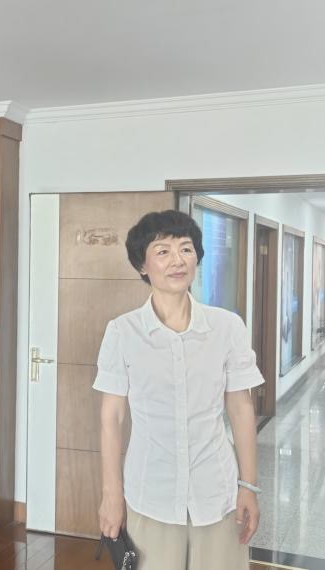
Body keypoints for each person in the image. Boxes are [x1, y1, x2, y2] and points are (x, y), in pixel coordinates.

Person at [95, 209, 263, 570]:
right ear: (142, 265)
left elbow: (241, 409)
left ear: (197, 258)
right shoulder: (122, 332)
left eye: (186, 249)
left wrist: (248, 486)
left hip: (216, 493)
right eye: (163, 251)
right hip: (150, 493)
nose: (177, 260)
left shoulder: (227, 327)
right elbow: (112, 417)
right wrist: (112, 495)